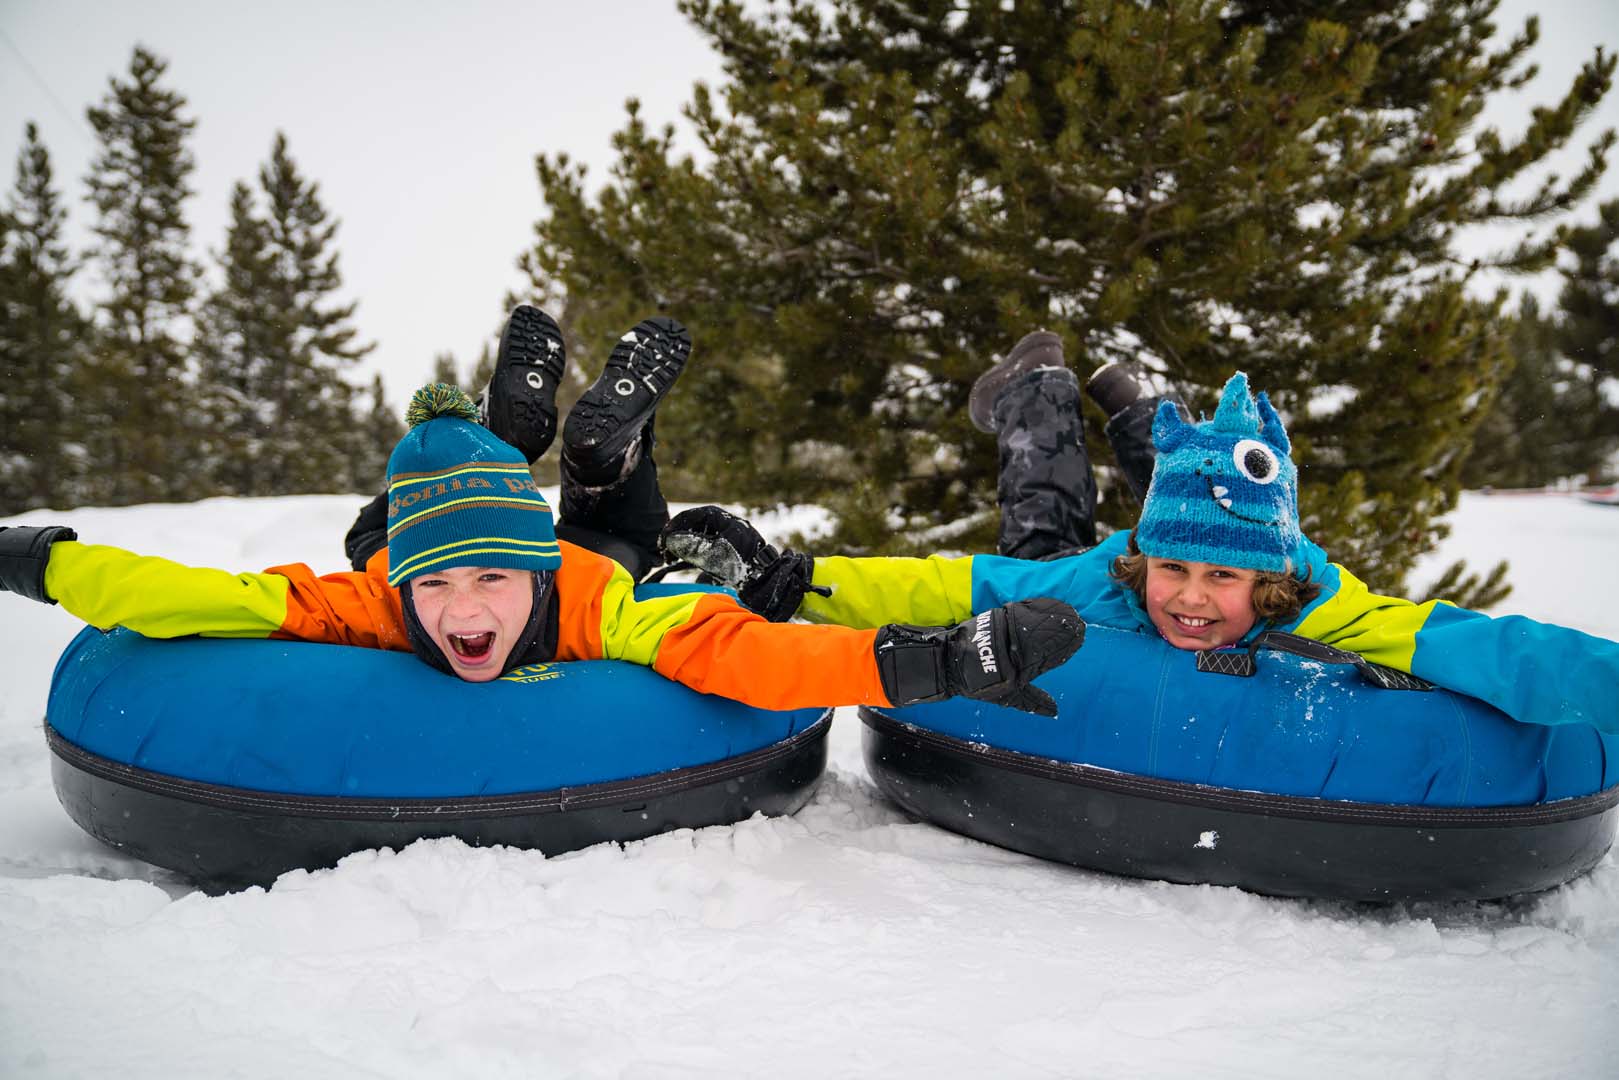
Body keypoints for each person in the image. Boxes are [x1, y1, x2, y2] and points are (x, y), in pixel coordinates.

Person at [0, 309, 1088, 718]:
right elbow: (203, 596)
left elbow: (750, 660)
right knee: (389, 537)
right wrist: (41, 560)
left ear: (534, 573)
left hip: (577, 554)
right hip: (448, 542)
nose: (462, 610)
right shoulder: (375, 598)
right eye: (438, 587)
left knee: (600, 543)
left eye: (488, 580)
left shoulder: (603, 605)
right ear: (402, 594)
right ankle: (560, 447)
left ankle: (519, 438)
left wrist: (935, 665)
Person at [662, 344, 1619, 734]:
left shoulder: (1325, 604)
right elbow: (954, 587)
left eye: (1221, 579)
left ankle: (1116, 406)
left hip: (1208, 515)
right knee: (1039, 547)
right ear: (1141, 563)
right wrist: (806, 579)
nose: (1191, 598)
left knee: (1152, 506)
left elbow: (1481, 644)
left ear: (1274, 584)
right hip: (1068, 578)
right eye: (1172, 570)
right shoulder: (1109, 582)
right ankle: (1054, 386)